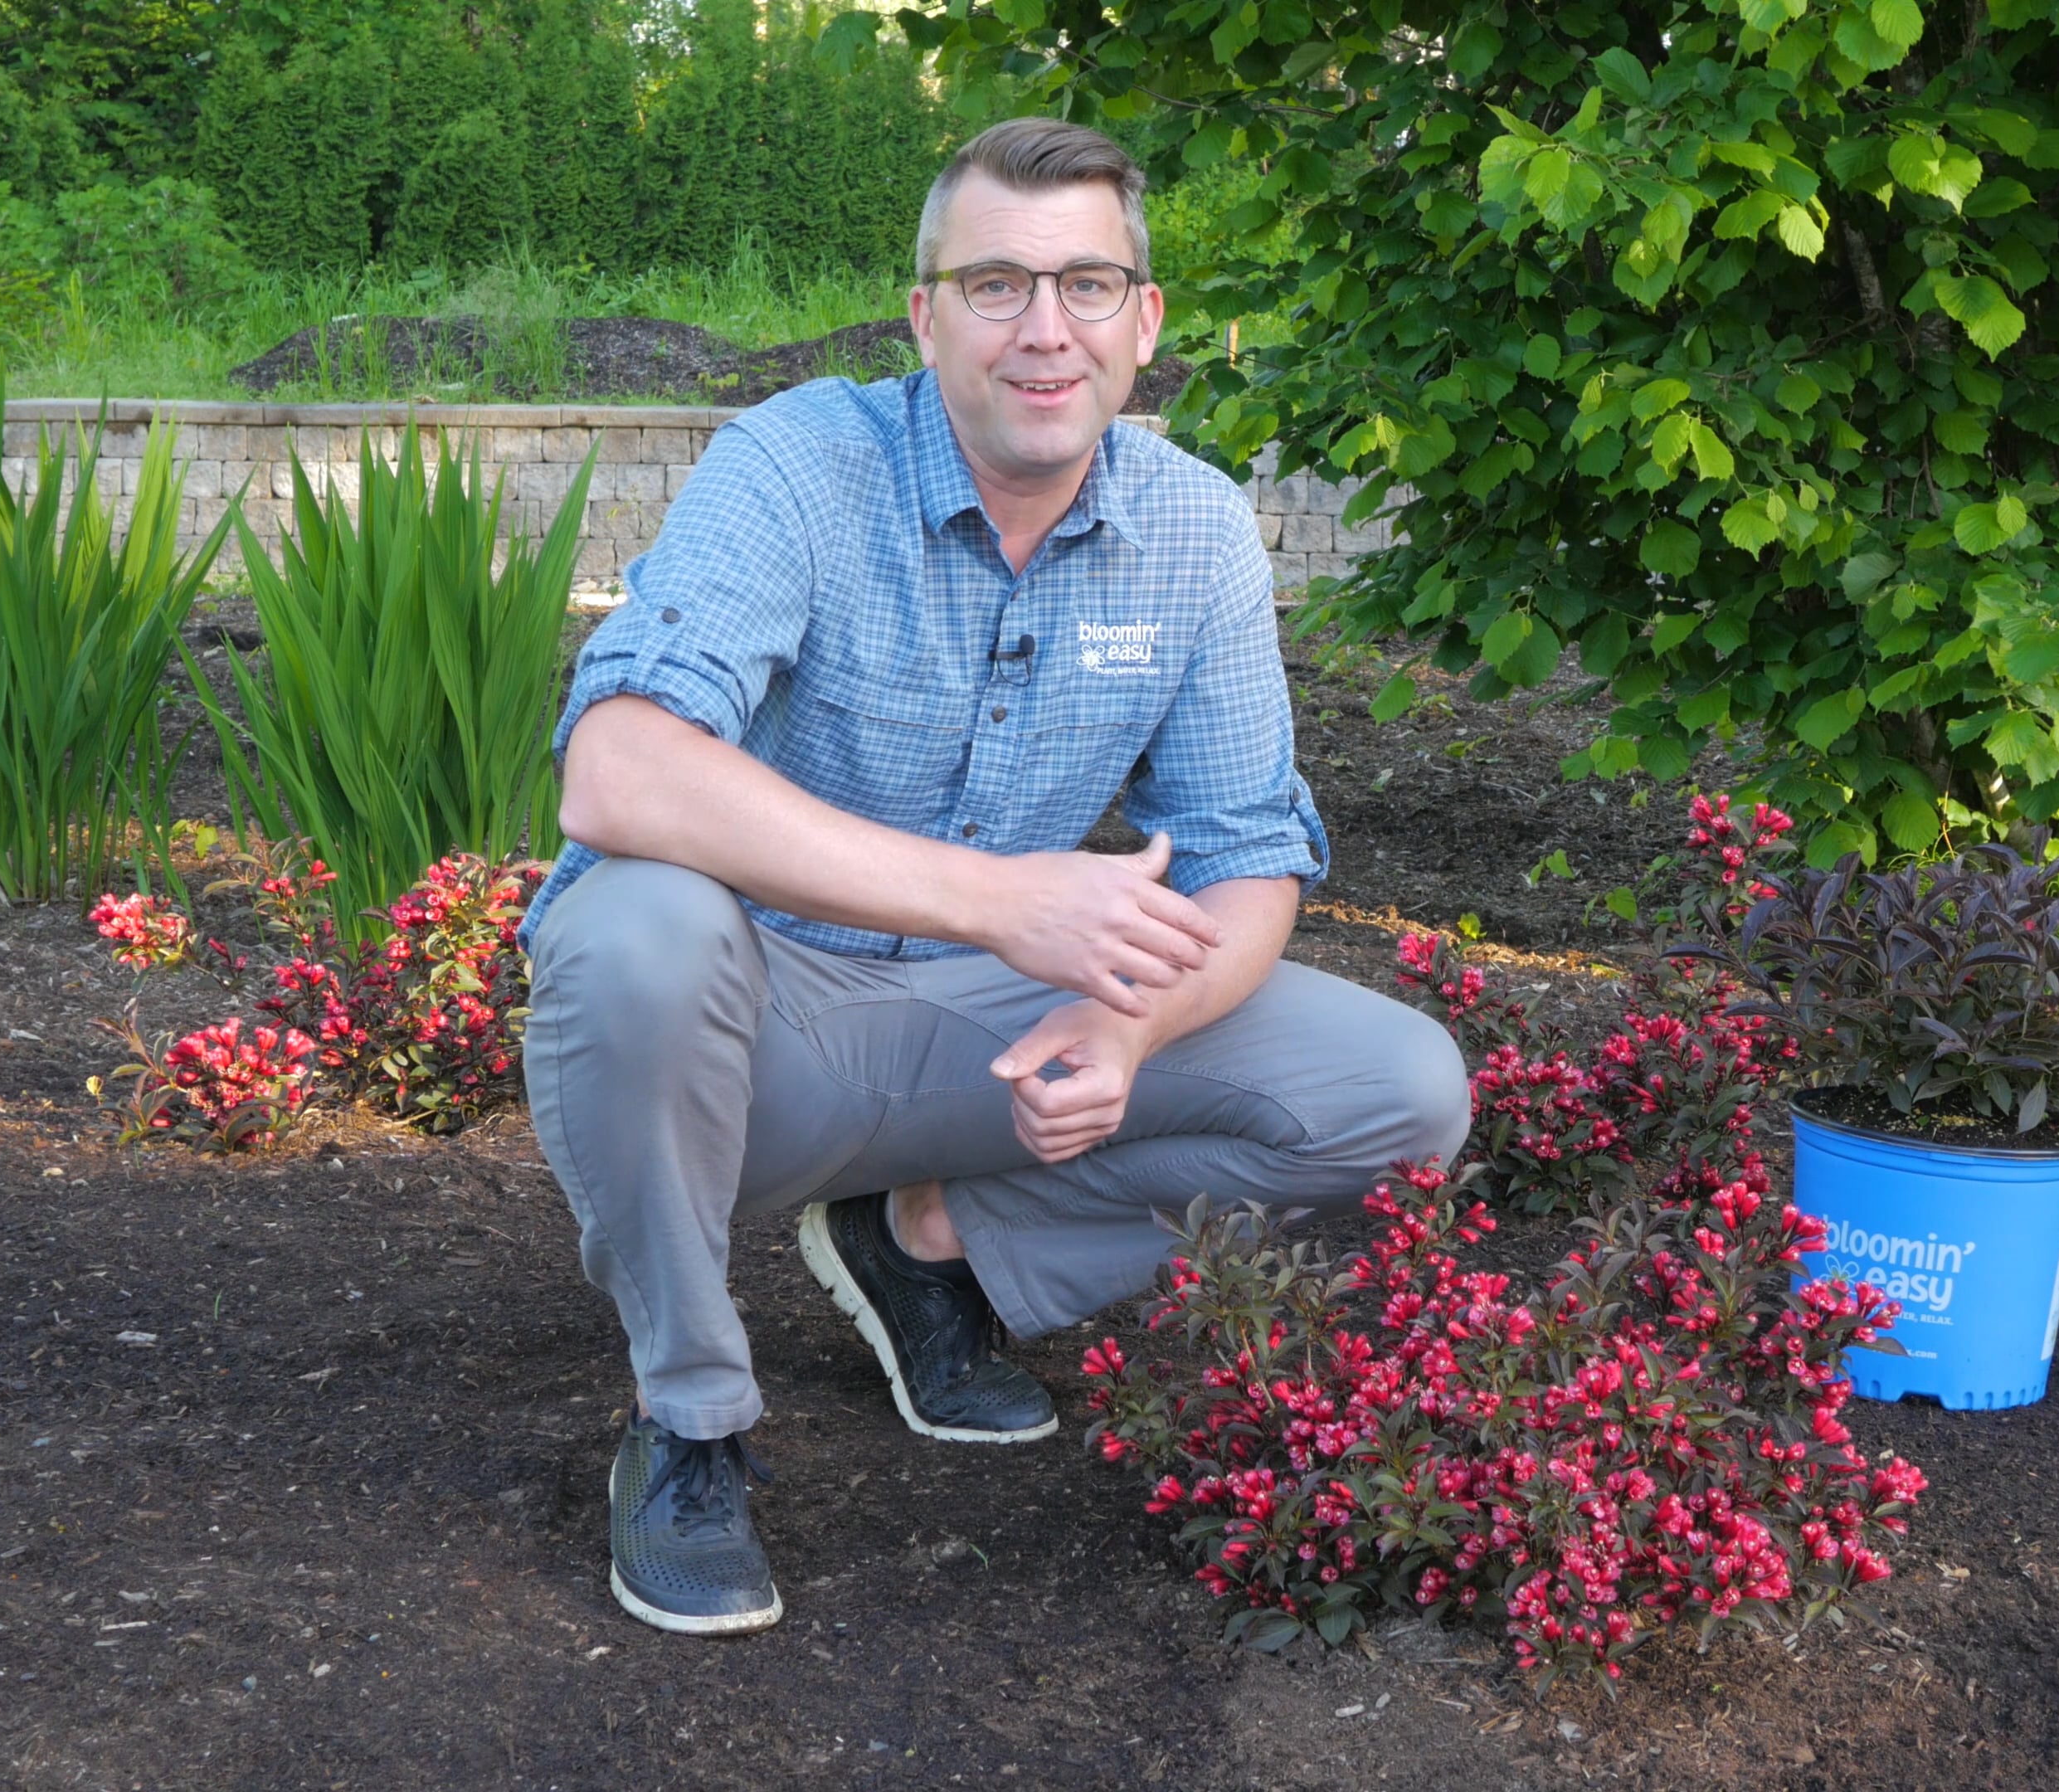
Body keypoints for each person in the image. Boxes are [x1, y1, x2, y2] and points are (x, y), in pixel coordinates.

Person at [519, 117, 1472, 1637]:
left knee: (1397, 1089)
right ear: (925, 315)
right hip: (750, 1047)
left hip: (999, 1040)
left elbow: (1246, 858)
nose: (1046, 330)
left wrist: (1130, 1032)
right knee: (635, 923)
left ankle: (931, 1241)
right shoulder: (800, 463)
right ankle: (690, 1424)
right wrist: (1001, 900)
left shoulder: (1195, 530)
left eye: (1089, 284)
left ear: (1146, 322)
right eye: (996, 285)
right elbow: (617, 766)